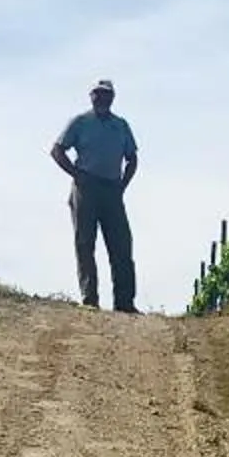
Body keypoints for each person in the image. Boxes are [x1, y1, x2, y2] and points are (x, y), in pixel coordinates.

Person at [50, 79, 139, 312]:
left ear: (112, 98)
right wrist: (75, 174)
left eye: (106, 94)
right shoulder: (80, 122)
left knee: (121, 245)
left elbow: (132, 158)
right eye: (97, 93)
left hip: (112, 188)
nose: (101, 98)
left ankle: (125, 302)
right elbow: (57, 150)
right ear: (91, 96)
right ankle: (90, 299)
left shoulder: (120, 125)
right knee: (85, 243)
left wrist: (122, 185)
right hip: (86, 188)